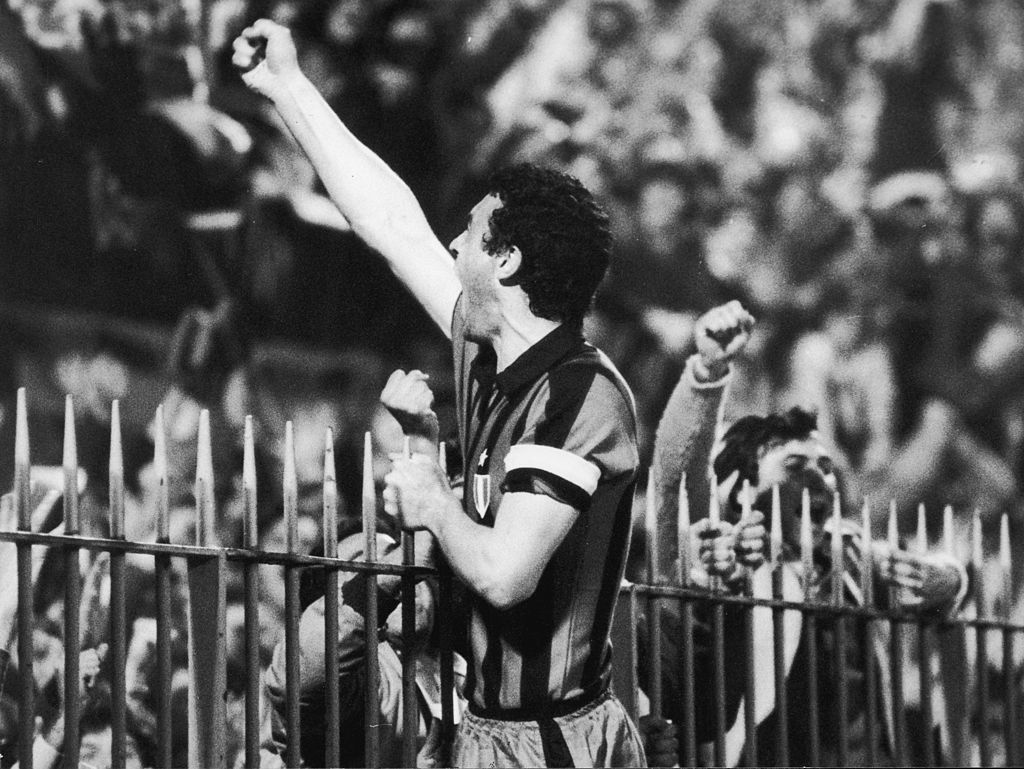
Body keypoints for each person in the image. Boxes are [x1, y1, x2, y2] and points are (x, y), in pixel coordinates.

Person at [233, 20, 644, 767]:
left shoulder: (582, 397)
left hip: (557, 744)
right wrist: (288, 88)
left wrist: (432, 499)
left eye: (471, 234)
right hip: (487, 731)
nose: (451, 245)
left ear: (507, 261)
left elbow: (505, 574)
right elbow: (389, 222)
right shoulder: (488, 354)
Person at [652, 304, 968, 766]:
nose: (821, 478)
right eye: (795, 466)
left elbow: (934, 582)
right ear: (742, 491)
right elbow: (677, 477)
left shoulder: (848, 552)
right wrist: (707, 373)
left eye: (826, 466)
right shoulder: (729, 559)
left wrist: (947, 579)